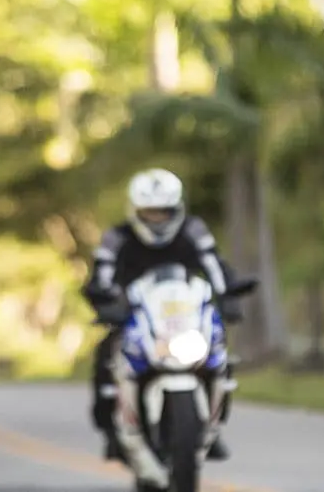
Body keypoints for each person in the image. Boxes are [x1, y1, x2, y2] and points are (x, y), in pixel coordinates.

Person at [84, 168, 242, 462]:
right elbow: (101, 277)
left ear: (176, 209)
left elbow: (215, 267)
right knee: (106, 354)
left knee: (220, 355)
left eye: (164, 212)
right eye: (150, 212)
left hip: (183, 318)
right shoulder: (117, 238)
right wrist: (103, 300)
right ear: (137, 210)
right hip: (135, 317)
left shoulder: (193, 231)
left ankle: (212, 427)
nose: (157, 219)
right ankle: (110, 431)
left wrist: (229, 295)